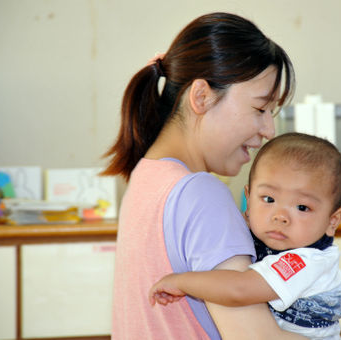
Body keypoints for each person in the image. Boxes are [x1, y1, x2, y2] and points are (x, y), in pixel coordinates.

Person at [101, 12, 303, 340]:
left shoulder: (145, 175)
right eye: (260, 109)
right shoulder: (201, 193)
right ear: (201, 96)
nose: (269, 130)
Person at [149, 132, 341, 340]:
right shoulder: (266, 236)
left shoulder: (307, 261)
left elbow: (239, 289)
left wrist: (181, 282)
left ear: (332, 220)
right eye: (268, 199)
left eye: (302, 207)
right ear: (249, 199)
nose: (280, 216)